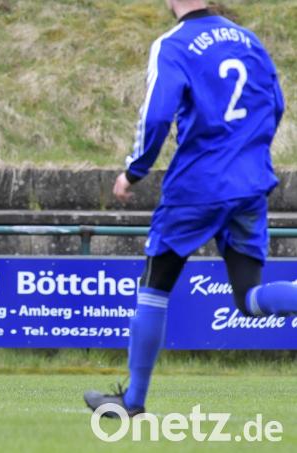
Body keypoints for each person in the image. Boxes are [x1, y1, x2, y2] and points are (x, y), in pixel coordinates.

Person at [85, 0, 288, 417]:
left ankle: (133, 402)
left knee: (155, 285)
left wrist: (134, 172)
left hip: (198, 184)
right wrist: (247, 153)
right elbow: (277, 104)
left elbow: (157, 115)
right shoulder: (250, 40)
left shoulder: (174, 44)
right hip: (250, 182)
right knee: (249, 297)